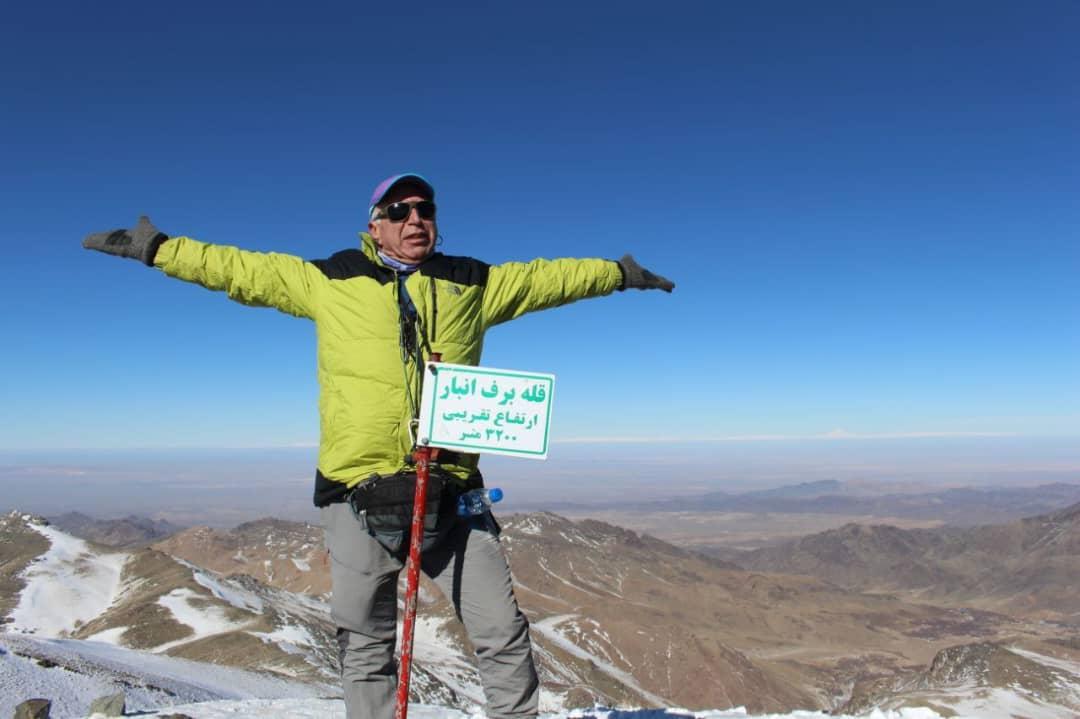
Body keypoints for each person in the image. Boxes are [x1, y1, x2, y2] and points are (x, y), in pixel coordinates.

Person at [83, 173, 674, 719]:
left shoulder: (473, 283)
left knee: (501, 630)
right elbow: (241, 270)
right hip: (355, 490)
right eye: (398, 211)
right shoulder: (330, 279)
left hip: (452, 489)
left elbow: (550, 279)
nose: (414, 219)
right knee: (365, 643)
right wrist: (159, 248)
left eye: (425, 210)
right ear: (374, 225)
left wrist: (616, 273)